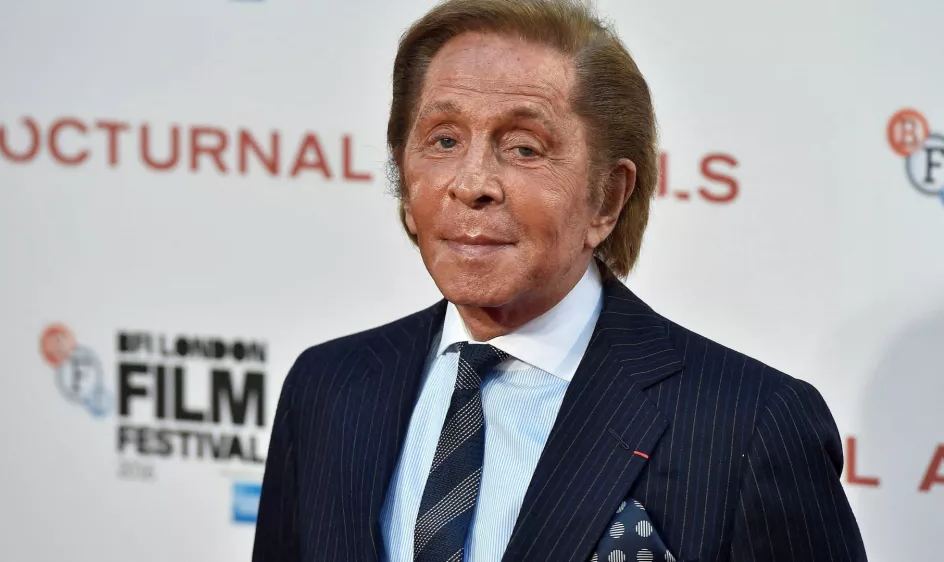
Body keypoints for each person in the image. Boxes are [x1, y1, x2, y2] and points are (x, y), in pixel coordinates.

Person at [251, 0, 867, 560]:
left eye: (523, 148)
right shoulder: (328, 387)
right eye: (443, 139)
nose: (471, 183)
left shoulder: (750, 424)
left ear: (608, 197)